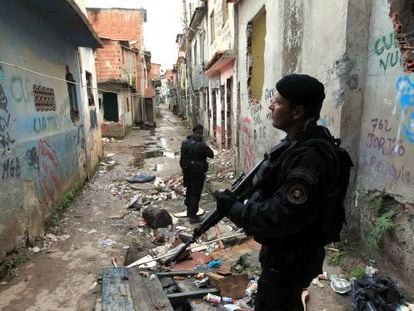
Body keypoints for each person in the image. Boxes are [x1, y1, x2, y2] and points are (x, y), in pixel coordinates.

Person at [214, 74, 352, 310]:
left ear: (297, 112)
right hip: (286, 255)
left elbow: (280, 215)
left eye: (277, 102)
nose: (270, 105)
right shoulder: (295, 145)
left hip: (292, 258)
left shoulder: (309, 157)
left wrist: (236, 210)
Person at [180, 124, 214, 224]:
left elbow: (182, 158)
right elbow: (211, 154)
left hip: (187, 171)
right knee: (195, 193)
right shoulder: (202, 145)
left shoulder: (185, 142)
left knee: (189, 191)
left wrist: (185, 168)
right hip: (197, 172)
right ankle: (193, 216)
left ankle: (189, 211)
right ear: (201, 132)